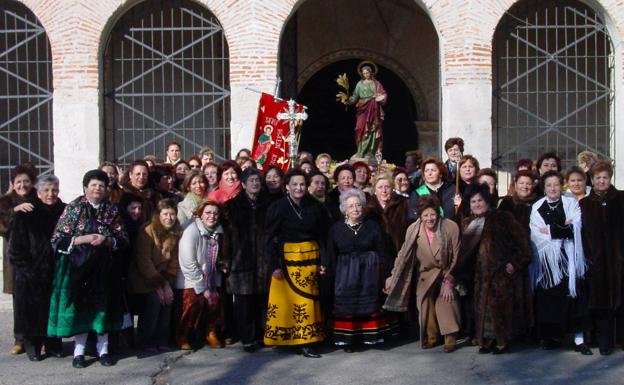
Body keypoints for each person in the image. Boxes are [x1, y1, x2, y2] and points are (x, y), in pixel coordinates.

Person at [47, 170, 129, 368]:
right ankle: (79, 353)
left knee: (103, 310)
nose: (97, 189)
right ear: (85, 188)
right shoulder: (74, 209)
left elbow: (124, 239)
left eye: (101, 185)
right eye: (93, 185)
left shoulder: (112, 210)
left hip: (104, 268)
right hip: (78, 268)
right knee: (81, 311)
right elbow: (56, 239)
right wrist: (80, 239)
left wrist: (107, 240)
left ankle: (104, 351)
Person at [457, 184, 532, 354]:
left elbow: (524, 246)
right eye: (473, 201)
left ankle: (502, 341)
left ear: (487, 201)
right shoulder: (469, 223)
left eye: (480, 201)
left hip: (502, 275)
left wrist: (514, 264)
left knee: (499, 311)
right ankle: (487, 341)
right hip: (480, 277)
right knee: (484, 311)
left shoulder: (502, 218)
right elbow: (465, 255)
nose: (476, 204)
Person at [263, 169, 329, 357]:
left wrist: (324, 260)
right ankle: (289, 340)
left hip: (311, 260)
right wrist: (273, 265)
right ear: (287, 187)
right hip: (286, 260)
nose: (299, 188)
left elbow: (322, 236)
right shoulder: (278, 207)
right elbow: (269, 238)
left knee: (307, 304)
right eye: (295, 184)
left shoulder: (315, 206)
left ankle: (307, 340)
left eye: (302, 184)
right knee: (288, 303)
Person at [384, 195, 461, 353]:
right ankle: (432, 336)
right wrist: (392, 275)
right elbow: (403, 253)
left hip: (445, 272)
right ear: (420, 215)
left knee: (445, 300)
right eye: (425, 215)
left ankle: (450, 337)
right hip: (425, 274)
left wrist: (449, 280)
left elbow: (457, 257)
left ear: (438, 213)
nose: (430, 218)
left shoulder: (450, 227)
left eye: (432, 214)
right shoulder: (413, 229)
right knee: (424, 302)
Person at [529, 171, 591, 355]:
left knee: (575, 298)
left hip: (571, 259)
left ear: (561, 186)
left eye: (556, 184)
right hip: (548, 263)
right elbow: (536, 234)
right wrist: (560, 230)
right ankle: (552, 337)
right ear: (544, 187)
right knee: (549, 300)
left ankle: (579, 340)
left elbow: (575, 228)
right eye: (549, 185)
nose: (553, 188)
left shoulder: (571, 203)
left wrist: (550, 229)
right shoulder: (537, 207)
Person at [323, 188, 391, 352]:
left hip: (370, 273)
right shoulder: (336, 228)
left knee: (369, 304)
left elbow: (383, 251)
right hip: (345, 274)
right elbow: (331, 253)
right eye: (351, 206)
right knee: (348, 306)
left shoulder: (372, 226)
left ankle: (369, 337)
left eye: (358, 205)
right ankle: (348, 339)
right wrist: (327, 271)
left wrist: (389, 273)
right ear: (344, 209)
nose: (355, 209)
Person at [7, 175, 65, 361]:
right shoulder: (26, 213)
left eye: (54, 190)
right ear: (38, 193)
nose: (51, 194)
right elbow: (15, 249)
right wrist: (29, 270)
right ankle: (33, 345)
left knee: (54, 309)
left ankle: (53, 343)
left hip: (57, 271)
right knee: (32, 311)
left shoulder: (65, 212)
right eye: (46, 190)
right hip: (31, 273)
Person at [580, 160, 624, 355]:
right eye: (598, 177)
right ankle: (604, 341)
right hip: (596, 261)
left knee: (622, 299)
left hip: (619, 259)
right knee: (601, 302)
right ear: (592, 179)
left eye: (605, 177)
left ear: (610, 178)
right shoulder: (585, 204)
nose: (602, 181)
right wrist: (589, 257)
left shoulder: (621, 199)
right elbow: (581, 234)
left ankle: (621, 338)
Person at [224, 168, 270, 352]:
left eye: (258, 180)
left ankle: (261, 335)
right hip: (240, 259)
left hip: (262, 259)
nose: (255, 184)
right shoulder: (232, 206)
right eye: (251, 181)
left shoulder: (268, 204)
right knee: (243, 301)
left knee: (261, 300)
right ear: (243, 184)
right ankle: (247, 338)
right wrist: (226, 260)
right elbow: (226, 237)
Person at [127, 199, 181, 353]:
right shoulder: (147, 230)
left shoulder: (175, 231)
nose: (169, 218)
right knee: (155, 301)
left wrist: (167, 285)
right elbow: (144, 261)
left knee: (168, 300)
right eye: (165, 214)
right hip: (143, 277)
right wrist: (158, 284)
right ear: (158, 215)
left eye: (172, 214)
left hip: (163, 277)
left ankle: (162, 338)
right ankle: (146, 340)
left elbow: (173, 261)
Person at [175, 200, 228, 350]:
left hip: (210, 276)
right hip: (189, 279)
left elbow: (216, 257)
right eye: (208, 213)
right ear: (201, 214)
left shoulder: (219, 232)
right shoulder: (190, 232)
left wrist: (221, 267)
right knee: (193, 300)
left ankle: (211, 332)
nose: (212, 216)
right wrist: (203, 288)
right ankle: (182, 334)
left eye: (215, 213)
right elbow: (188, 263)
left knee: (217, 299)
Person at [0, 163, 37, 355]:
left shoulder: (39, 198)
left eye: (26, 181)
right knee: (20, 300)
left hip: (38, 257)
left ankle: (40, 337)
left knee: (39, 298)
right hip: (15, 259)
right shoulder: (5, 202)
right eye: (19, 182)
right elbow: (2, 227)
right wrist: (15, 211)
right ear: (12, 184)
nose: (23, 185)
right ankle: (20, 338)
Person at [343, 63, 387, 159]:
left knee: (372, 129)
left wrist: (380, 97)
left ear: (371, 73)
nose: (365, 75)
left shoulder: (376, 83)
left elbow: (383, 94)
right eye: (364, 73)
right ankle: (360, 151)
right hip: (362, 108)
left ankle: (370, 152)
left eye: (367, 73)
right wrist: (348, 102)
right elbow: (355, 96)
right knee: (359, 129)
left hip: (373, 107)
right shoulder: (359, 84)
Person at [409, 157, 455, 221]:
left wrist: (460, 205)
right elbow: (413, 217)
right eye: (426, 171)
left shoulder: (452, 190)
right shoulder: (417, 193)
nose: (429, 173)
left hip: (450, 229)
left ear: (440, 173)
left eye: (433, 170)